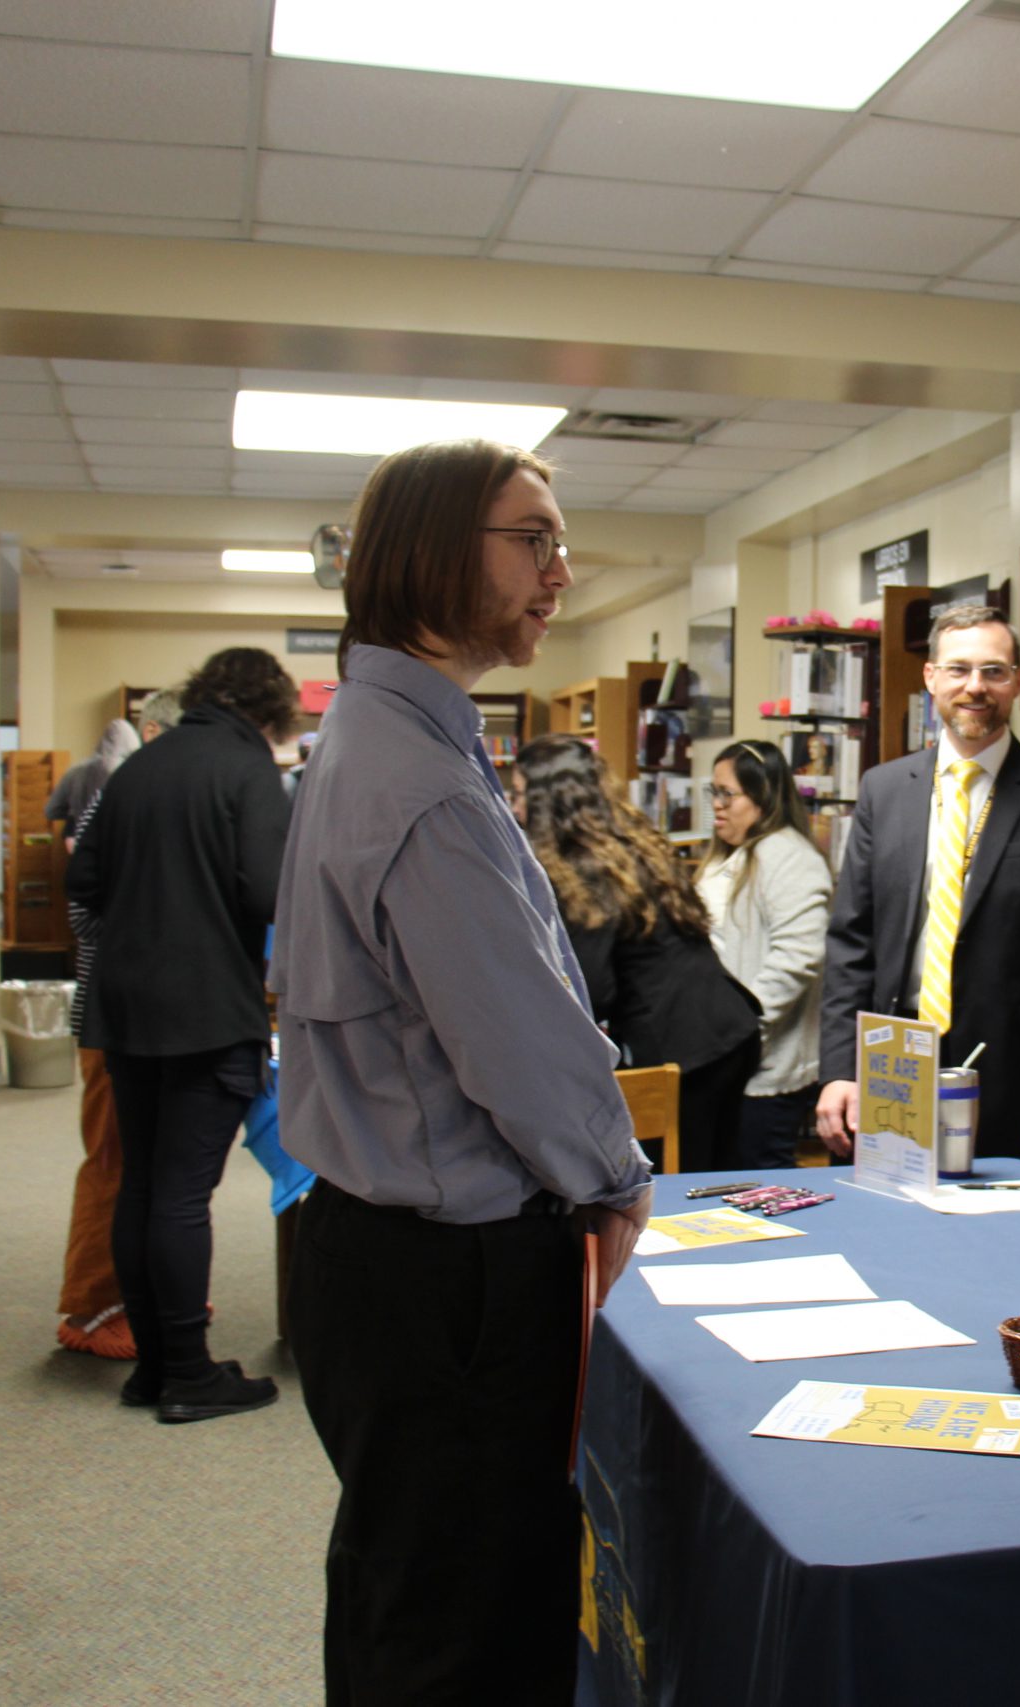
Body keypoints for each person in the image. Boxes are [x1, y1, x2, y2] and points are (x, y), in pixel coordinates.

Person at [271, 439, 652, 1705]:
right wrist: (616, 1180)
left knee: (405, 1593)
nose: (559, 567)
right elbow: (523, 1049)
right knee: (466, 1629)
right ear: (435, 550)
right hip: (452, 1284)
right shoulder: (422, 779)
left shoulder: (385, 734)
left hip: (381, 1257)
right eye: (531, 538)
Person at [65, 649, 294, 1423]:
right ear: (272, 712)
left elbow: (83, 881)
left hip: (124, 1008)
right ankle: (190, 1373)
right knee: (183, 1196)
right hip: (206, 1010)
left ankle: (154, 1366)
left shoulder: (139, 767)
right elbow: (270, 890)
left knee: (143, 1184)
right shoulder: (247, 769)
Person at [816, 603, 1020, 1167]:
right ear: (930, 678)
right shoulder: (883, 790)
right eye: (958, 669)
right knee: (881, 1236)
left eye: (994, 671)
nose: (975, 687)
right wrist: (837, 1071)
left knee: (996, 1247)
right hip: (887, 1069)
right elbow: (850, 944)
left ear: (1018, 682)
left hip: (1011, 1080)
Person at [514, 734, 761, 1171]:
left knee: (684, 1188)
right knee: (722, 1173)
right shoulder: (630, 841)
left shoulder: (583, 868)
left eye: (518, 795)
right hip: (729, 1025)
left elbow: (593, 987)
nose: (513, 809)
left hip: (685, 1045)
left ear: (545, 800)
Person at [53, 691, 180, 1360]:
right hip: (112, 1011)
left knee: (159, 1164)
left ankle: (147, 1289)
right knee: (111, 1158)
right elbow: (85, 901)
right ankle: (89, 1306)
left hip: (156, 1017)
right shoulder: (122, 793)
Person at [696, 739, 833, 1169]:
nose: (717, 805)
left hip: (762, 1065)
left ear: (763, 795)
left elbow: (798, 957)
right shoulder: (731, 855)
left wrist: (741, 1027)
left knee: (763, 1182)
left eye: (727, 794)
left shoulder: (788, 855)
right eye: (712, 793)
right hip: (725, 1060)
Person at [46, 718, 137, 854]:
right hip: (118, 850)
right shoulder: (132, 773)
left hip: (81, 847)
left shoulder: (76, 771)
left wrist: (74, 813)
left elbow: (51, 811)